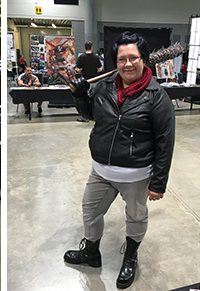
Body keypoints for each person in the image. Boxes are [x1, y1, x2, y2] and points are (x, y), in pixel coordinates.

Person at [63, 31, 175, 289]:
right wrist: (80, 95)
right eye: (122, 58)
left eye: (133, 58)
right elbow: (91, 114)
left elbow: (165, 142)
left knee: (136, 217)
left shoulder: (156, 97)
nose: (128, 64)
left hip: (135, 175)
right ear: (115, 61)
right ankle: (91, 253)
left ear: (144, 59)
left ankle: (130, 256)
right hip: (101, 170)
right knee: (90, 211)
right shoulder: (105, 85)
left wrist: (158, 182)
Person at [74, 41, 104, 122]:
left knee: (85, 100)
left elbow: (78, 69)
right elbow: (100, 69)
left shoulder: (81, 57)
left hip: (85, 82)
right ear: (91, 47)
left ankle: (85, 117)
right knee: (94, 99)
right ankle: (94, 115)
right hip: (95, 81)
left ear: (85, 48)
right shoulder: (96, 57)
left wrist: (82, 69)